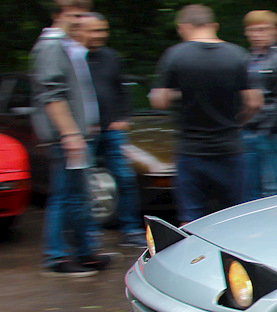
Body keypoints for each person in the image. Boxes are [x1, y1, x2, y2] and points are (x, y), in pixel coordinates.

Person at [150, 4, 263, 224]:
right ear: (214, 26)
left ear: (183, 27)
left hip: (191, 151)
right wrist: (236, 122)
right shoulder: (237, 54)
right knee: (235, 215)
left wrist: (179, 93)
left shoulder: (175, 55)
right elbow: (254, 101)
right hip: (229, 148)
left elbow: (159, 101)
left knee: (190, 219)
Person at [31, 0, 116, 276]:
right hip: (67, 138)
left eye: (84, 14)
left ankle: (86, 252)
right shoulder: (50, 47)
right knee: (64, 196)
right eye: (75, 15)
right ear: (58, 15)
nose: (81, 20)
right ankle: (56, 257)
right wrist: (69, 133)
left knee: (80, 196)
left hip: (79, 135)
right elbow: (52, 95)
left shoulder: (70, 47)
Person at [81, 12, 146, 248]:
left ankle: (130, 229)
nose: (100, 35)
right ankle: (89, 233)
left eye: (103, 30)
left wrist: (122, 117)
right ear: (80, 31)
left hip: (112, 129)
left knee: (125, 178)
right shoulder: (75, 59)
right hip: (84, 133)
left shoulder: (111, 56)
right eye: (94, 31)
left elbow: (122, 89)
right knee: (85, 183)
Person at [241, 10, 277, 200]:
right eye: (253, 30)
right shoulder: (246, 59)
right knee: (249, 190)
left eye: (263, 30)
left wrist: (265, 130)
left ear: (276, 30)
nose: (258, 35)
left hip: (274, 134)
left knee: (274, 191)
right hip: (247, 131)